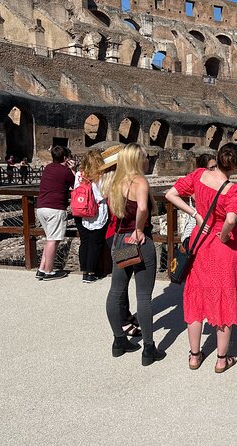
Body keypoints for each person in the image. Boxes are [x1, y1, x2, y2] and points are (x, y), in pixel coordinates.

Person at [165, 143, 237, 373]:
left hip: (201, 241)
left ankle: (194, 356)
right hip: (224, 247)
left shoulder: (200, 175)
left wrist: (196, 214)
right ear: (236, 165)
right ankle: (221, 359)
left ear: (217, 160)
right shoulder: (235, 190)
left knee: (197, 297)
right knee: (224, 297)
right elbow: (230, 219)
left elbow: (171, 194)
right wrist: (226, 235)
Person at [105, 143, 165, 366]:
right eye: (144, 156)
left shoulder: (115, 181)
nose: (148, 159)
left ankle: (119, 341)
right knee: (143, 295)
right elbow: (141, 208)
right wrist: (140, 229)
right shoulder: (139, 181)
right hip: (138, 240)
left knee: (116, 290)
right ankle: (149, 348)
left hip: (120, 239)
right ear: (136, 159)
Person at [100, 145, 141, 338]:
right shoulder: (118, 184)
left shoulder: (110, 183)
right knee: (121, 283)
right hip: (121, 237)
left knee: (122, 280)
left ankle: (124, 317)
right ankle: (123, 323)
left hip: (113, 236)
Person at [35, 146, 75, 281]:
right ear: (65, 158)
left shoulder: (48, 168)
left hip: (41, 207)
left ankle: (41, 269)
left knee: (50, 239)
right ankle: (49, 271)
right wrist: (73, 169)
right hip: (55, 209)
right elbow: (76, 185)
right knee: (53, 240)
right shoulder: (66, 172)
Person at [73, 150, 108, 283]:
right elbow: (103, 195)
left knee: (85, 242)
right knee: (95, 243)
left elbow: (76, 190)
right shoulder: (101, 176)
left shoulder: (79, 174)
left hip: (80, 211)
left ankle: (85, 271)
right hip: (97, 211)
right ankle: (92, 272)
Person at [180, 153, 217, 244]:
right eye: (212, 168)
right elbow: (204, 203)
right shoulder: (195, 185)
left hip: (210, 230)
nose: (216, 170)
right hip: (195, 231)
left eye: (216, 167)